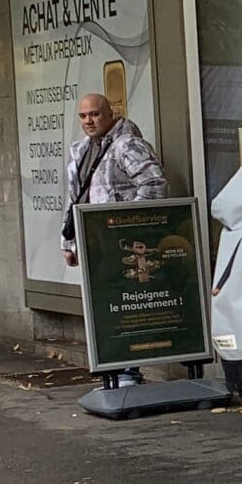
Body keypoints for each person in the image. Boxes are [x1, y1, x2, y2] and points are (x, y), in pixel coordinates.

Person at [61, 75, 168, 388]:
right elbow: (75, 199)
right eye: (83, 115)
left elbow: (154, 184)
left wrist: (131, 226)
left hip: (121, 243)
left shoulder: (128, 145)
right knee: (105, 309)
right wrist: (69, 241)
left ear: (110, 114)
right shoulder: (82, 150)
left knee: (123, 309)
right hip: (95, 241)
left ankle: (127, 374)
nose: (89, 120)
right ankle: (115, 372)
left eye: (95, 113)